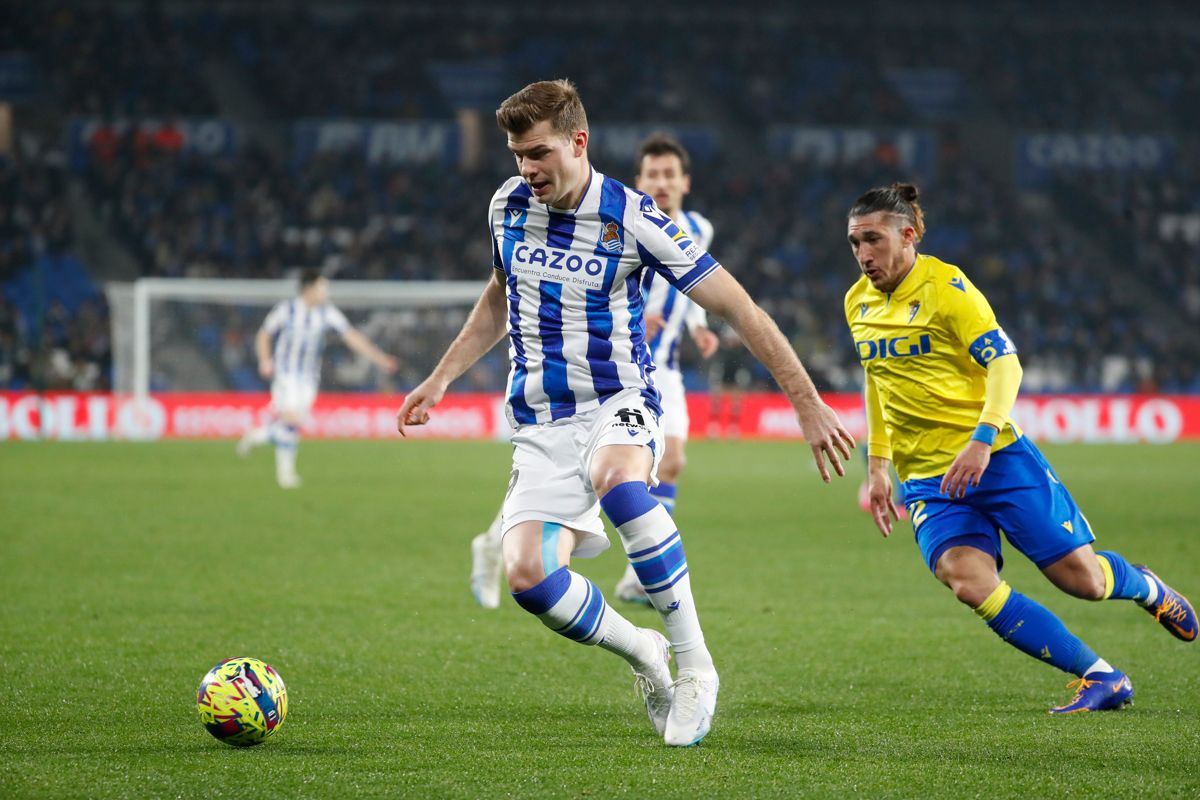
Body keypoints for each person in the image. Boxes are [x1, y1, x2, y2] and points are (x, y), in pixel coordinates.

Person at [400, 79, 853, 747]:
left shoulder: (633, 217)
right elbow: (499, 299)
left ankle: (698, 668)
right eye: (517, 155)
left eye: (538, 153)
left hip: (621, 400)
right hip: (541, 424)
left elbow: (737, 307)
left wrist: (806, 401)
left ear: (578, 142)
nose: (527, 169)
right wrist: (440, 378)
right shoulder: (506, 206)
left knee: (622, 480)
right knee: (527, 576)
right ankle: (644, 651)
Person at [845, 183, 1196, 714]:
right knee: (967, 582)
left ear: (908, 235)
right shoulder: (857, 302)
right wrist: (876, 467)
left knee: (1084, 581)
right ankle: (1101, 677)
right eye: (854, 243)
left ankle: (1147, 588)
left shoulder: (949, 289)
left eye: (872, 239)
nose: (863, 254)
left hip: (998, 459)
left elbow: (1006, 365)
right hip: (928, 482)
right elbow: (878, 381)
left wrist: (982, 441)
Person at [238, 269, 398, 488]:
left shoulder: (327, 313)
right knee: (292, 420)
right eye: (322, 287)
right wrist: (265, 360)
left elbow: (351, 337)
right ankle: (286, 475)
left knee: (292, 424)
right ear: (308, 288)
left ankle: (257, 436)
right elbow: (264, 335)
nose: (326, 291)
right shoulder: (287, 310)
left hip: (309, 377)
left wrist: (379, 358)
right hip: (286, 373)